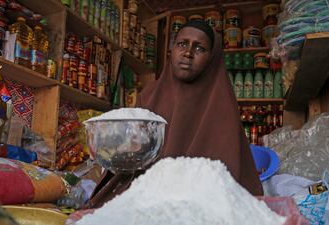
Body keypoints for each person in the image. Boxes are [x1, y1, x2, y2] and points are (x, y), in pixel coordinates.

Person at [86, 20, 262, 209]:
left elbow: (227, 176)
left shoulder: (222, 104)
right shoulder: (149, 96)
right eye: (182, 44)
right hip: (147, 197)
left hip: (199, 204)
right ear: (172, 50)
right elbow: (131, 160)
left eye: (199, 48)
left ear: (212, 58)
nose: (188, 53)